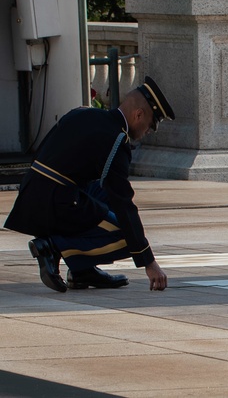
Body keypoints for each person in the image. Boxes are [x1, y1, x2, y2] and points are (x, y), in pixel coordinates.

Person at [4, 77, 175, 292]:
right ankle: (52, 247)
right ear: (138, 115)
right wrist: (148, 261)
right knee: (125, 235)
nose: (146, 132)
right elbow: (123, 203)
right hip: (55, 203)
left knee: (104, 197)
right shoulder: (117, 140)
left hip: (31, 194)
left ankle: (81, 271)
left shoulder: (83, 113)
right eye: (149, 126)